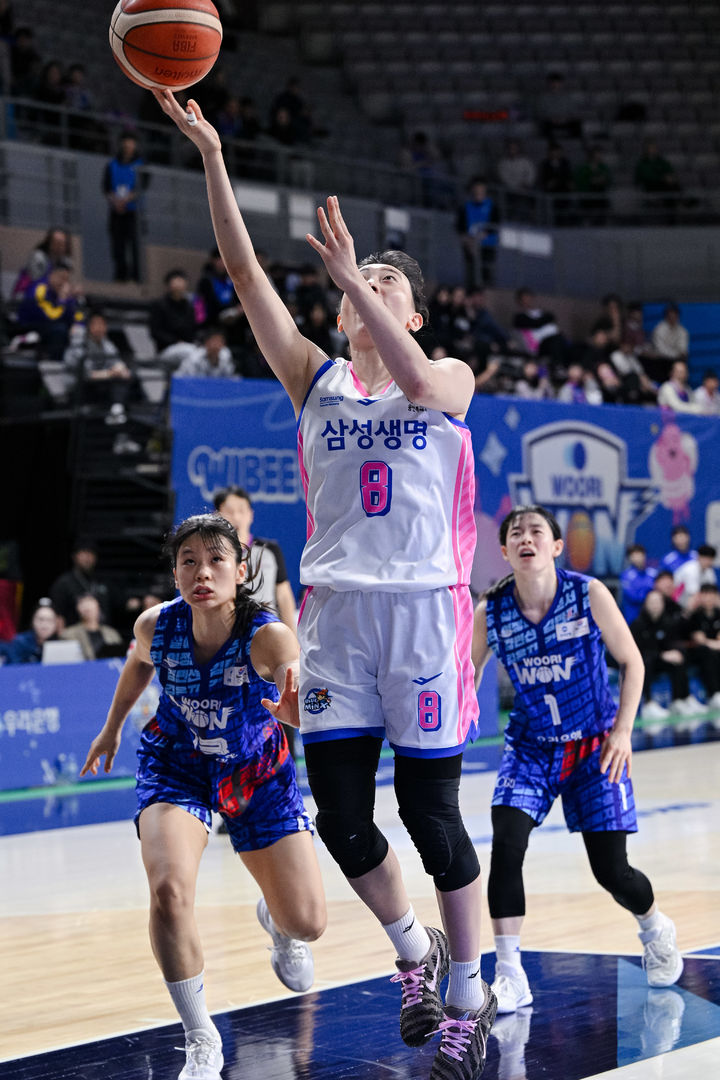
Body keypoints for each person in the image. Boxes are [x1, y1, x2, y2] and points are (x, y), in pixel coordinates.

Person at [154, 87, 497, 1080]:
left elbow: (422, 383)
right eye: (357, 283)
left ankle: (469, 994)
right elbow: (242, 272)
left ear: (414, 315)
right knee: (344, 821)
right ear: (342, 311)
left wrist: (356, 273)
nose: (365, 289)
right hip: (338, 619)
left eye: (387, 283)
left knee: (433, 820)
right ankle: (413, 956)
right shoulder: (315, 380)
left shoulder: (449, 378)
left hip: (424, 617)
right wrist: (214, 155)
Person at [80, 513, 326, 1080]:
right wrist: (111, 729)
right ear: (175, 574)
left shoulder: (267, 635)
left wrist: (299, 712)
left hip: (256, 772)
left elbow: (297, 688)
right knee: (168, 892)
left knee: (308, 922)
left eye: (216, 560)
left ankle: (279, 924)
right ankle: (200, 1039)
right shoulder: (156, 626)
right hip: (177, 766)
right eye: (188, 561)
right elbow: (137, 666)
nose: (202, 572)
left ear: (241, 571)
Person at [472, 505, 683, 1018]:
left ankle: (655, 928)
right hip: (531, 747)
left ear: (556, 546)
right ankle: (510, 972)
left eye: (536, 531)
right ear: (505, 551)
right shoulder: (490, 611)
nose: (526, 538)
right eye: (516, 533)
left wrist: (623, 732)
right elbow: (465, 677)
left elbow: (632, 661)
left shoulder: (587, 593)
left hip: (595, 745)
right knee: (507, 842)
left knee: (612, 871)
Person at [630, 588, 704, 720]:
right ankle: (648, 704)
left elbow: (672, 643)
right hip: (644, 662)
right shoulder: (637, 624)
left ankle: (680, 699)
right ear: (646, 604)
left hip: (660, 661)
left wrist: (675, 652)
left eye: (658, 602)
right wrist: (661, 655)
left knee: (679, 657)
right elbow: (638, 652)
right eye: (652, 602)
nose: (655, 605)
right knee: (646, 661)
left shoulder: (667, 622)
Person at [15, 258, 85, 362]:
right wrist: (63, 300)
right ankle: (54, 364)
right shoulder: (39, 289)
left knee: (78, 331)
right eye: (61, 278)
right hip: (29, 327)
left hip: (49, 327)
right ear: (51, 275)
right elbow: (51, 317)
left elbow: (77, 317)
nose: (64, 283)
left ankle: (76, 365)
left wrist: (77, 323)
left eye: (67, 280)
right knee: (60, 330)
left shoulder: (60, 293)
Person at [103, 130, 146, 282]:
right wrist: (116, 201)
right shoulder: (111, 165)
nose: (128, 145)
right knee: (117, 245)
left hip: (134, 212)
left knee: (134, 245)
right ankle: (120, 276)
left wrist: (127, 200)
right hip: (116, 211)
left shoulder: (141, 165)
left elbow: (142, 187)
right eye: (126, 142)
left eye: (131, 142)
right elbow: (106, 188)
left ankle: (136, 276)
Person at [49, 537, 112, 629]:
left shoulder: (102, 581)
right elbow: (58, 615)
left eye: (91, 553)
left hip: (102, 632)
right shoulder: (64, 583)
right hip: (73, 633)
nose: (87, 557)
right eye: (83, 553)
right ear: (74, 556)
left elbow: (121, 602)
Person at [456, 176, 500, 291]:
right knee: (471, 272)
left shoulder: (492, 206)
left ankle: (485, 292)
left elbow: (494, 226)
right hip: (470, 245)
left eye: (481, 189)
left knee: (486, 272)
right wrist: (469, 242)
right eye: (476, 189)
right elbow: (460, 227)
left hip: (487, 245)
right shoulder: (465, 207)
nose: (478, 192)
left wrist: (479, 239)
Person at [60, 592, 125, 659]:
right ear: (77, 608)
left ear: (98, 606)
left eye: (90, 601)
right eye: (82, 603)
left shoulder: (112, 633)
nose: (87, 606)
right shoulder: (69, 634)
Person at [0, 600, 59, 664]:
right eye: (41, 619)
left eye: (49, 620)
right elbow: (14, 665)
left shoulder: (58, 645)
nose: (44, 625)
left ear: (56, 624)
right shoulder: (20, 643)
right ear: (33, 621)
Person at [620, 544, 656, 625]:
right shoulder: (626, 575)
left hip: (652, 616)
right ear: (629, 558)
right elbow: (633, 596)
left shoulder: (653, 573)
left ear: (644, 555)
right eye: (633, 555)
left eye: (639, 554)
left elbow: (659, 591)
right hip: (633, 617)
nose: (637, 558)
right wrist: (649, 593)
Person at [674, 543, 719, 609]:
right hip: (679, 601)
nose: (707, 562)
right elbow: (694, 594)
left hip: (697, 601)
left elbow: (713, 591)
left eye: (710, 559)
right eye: (705, 558)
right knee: (696, 598)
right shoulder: (690, 569)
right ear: (698, 557)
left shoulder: (709, 571)